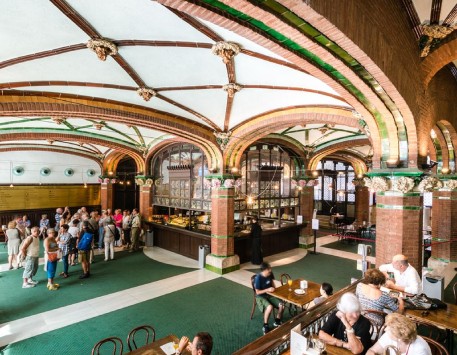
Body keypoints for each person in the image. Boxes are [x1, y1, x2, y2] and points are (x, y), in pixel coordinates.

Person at [367, 313, 431, 355]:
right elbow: (372, 351)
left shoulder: (420, 349)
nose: (385, 329)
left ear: (399, 337)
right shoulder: (388, 336)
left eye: (389, 329)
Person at [254, 262, 284, 334]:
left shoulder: (270, 274)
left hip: (270, 295)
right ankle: (265, 325)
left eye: (270, 268)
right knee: (269, 307)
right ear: (264, 270)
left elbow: (272, 284)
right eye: (268, 269)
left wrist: (274, 289)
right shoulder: (258, 278)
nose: (270, 270)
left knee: (282, 305)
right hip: (260, 297)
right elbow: (257, 292)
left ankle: (277, 321)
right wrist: (267, 290)